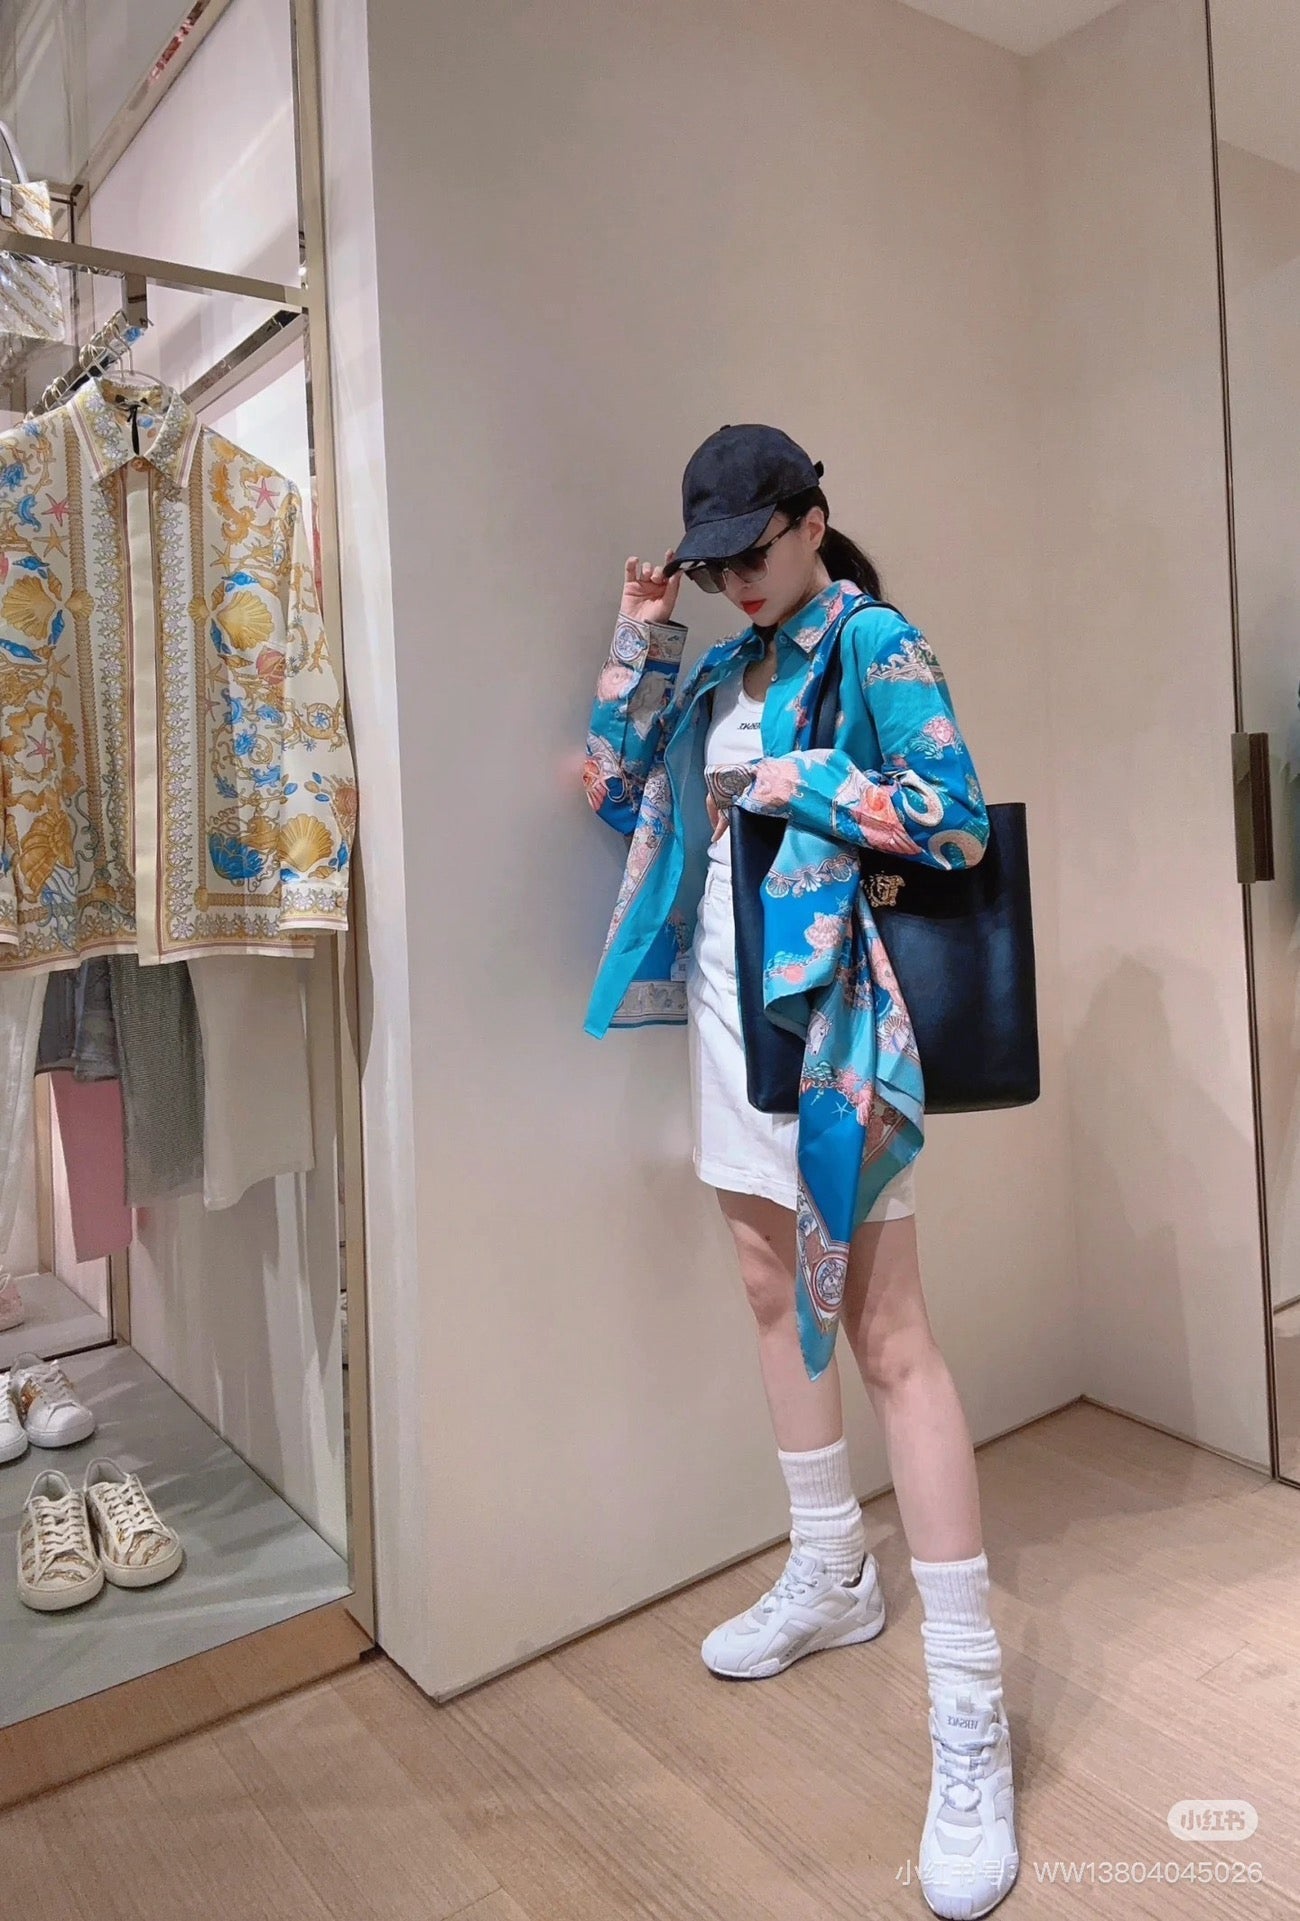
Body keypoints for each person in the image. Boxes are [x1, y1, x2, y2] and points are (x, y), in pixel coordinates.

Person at [581, 424, 1018, 1918]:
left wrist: (801, 778)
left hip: (834, 1038)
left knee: (892, 1341)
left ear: (812, 521)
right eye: (713, 569)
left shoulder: (871, 641)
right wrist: (642, 638)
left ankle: (969, 1714)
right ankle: (832, 1569)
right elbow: (617, 789)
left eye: (750, 556)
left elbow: (956, 820)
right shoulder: (723, 663)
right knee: (772, 1296)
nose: (737, 584)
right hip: (728, 1026)